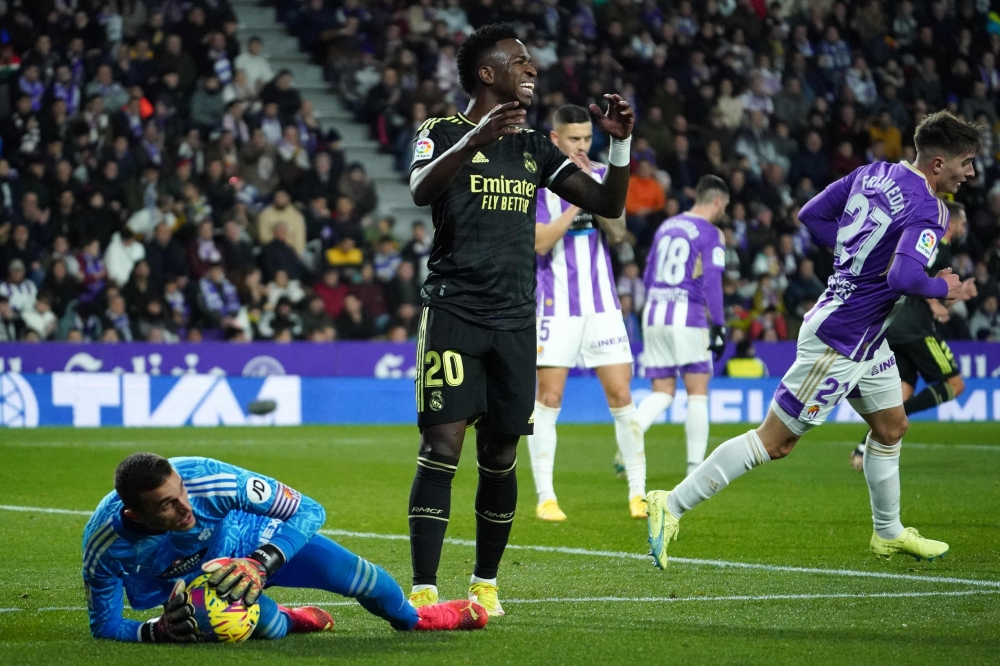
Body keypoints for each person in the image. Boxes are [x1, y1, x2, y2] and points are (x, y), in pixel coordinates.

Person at [645, 111, 981, 570]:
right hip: (841, 340)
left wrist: (852, 257)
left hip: (866, 335)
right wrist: (946, 286)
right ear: (939, 164)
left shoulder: (873, 172)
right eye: (967, 162)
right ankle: (672, 503)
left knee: (891, 427)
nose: (972, 173)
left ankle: (888, 532)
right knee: (775, 442)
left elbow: (812, 214)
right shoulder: (931, 208)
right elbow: (904, 275)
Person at [404, 23, 633, 617]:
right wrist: (475, 139)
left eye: (531, 63)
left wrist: (620, 149)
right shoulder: (442, 131)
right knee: (442, 444)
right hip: (453, 309)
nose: (532, 69)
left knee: (501, 453)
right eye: (520, 62)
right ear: (487, 73)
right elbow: (421, 189)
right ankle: (425, 586)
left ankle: (485, 582)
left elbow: (607, 204)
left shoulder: (534, 146)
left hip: (514, 319)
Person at [82, 453, 487, 643]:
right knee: (268, 629)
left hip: (255, 542)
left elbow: (309, 509)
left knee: (367, 580)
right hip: (202, 590)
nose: (185, 506)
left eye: (180, 492)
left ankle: (418, 619)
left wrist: (261, 562)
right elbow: (104, 626)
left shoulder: (212, 480)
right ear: (135, 515)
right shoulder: (106, 546)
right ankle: (289, 620)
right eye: (166, 505)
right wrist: (156, 631)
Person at [527, 104, 642, 522]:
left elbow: (617, 230)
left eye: (586, 139)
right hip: (556, 307)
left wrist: (599, 190)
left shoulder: (600, 175)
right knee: (549, 398)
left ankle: (637, 494)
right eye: (573, 139)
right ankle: (546, 497)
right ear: (555, 139)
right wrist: (577, 201)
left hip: (602, 305)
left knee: (622, 395)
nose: (581, 146)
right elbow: (540, 242)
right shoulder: (538, 183)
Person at [848, 200, 976, 470]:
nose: (964, 229)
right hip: (914, 327)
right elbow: (913, 277)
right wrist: (932, 303)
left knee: (901, 396)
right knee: (955, 385)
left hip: (895, 327)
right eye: (962, 223)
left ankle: (864, 448)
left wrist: (960, 292)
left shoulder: (938, 249)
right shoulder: (936, 246)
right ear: (951, 224)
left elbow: (936, 290)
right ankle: (884, 431)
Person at [633, 176, 730, 476]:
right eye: (724, 205)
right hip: (687, 314)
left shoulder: (666, 227)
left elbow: (647, 276)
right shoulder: (711, 233)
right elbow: (712, 282)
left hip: (654, 313)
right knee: (697, 389)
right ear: (717, 201)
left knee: (662, 391)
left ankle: (629, 440)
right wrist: (719, 325)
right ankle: (694, 467)